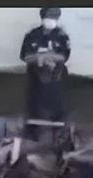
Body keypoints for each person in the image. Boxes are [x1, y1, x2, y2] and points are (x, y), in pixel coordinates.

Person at [20, 7, 71, 139]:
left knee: (57, 106)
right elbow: (25, 56)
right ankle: (31, 134)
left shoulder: (61, 35)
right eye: (49, 16)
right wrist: (38, 57)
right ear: (42, 17)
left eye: (54, 17)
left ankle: (59, 135)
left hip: (55, 77)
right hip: (36, 75)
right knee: (34, 106)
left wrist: (50, 57)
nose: (51, 20)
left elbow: (64, 56)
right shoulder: (32, 35)